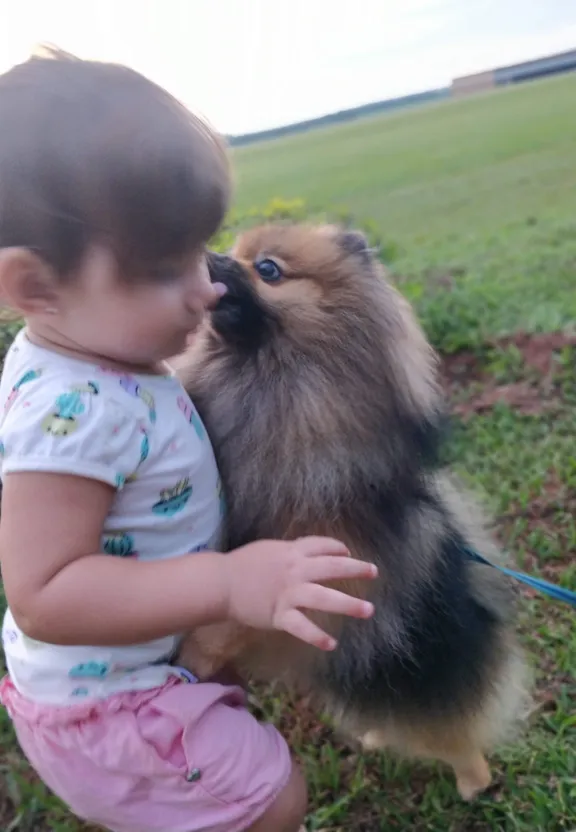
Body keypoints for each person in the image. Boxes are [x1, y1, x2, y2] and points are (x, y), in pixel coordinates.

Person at [0, 48, 377, 832]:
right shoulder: (70, 412)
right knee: (272, 797)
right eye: (167, 269)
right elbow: (45, 595)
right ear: (36, 288)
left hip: (136, 673)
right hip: (110, 706)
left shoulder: (98, 350)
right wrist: (229, 585)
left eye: (201, 252)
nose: (208, 285)